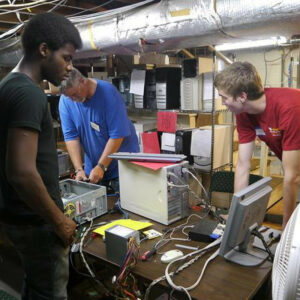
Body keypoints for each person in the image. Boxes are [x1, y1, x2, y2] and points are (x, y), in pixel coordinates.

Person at [0, 13, 82, 299]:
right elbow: (21, 172)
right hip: (36, 222)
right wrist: (58, 221)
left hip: (16, 215)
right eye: (67, 58)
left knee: (35, 285)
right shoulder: (29, 95)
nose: (70, 68)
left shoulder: (7, 85)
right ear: (44, 50)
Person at [214, 61, 300, 229]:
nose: (223, 103)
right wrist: (236, 213)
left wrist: (286, 229)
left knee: (291, 235)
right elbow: (243, 165)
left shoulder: (291, 107)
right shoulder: (243, 112)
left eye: (224, 97)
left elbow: (292, 177)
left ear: (242, 96)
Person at [58, 68, 139, 193]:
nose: (73, 100)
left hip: (122, 168)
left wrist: (101, 166)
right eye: (69, 97)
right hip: (93, 170)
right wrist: (79, 169)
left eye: (74, 94)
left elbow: (117, 136)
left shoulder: (109, 93)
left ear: (82, 81)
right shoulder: (66, 100)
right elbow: (71, 137)